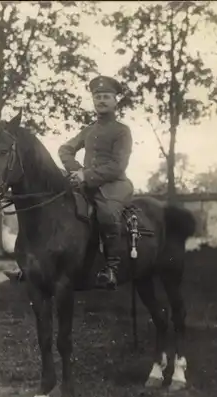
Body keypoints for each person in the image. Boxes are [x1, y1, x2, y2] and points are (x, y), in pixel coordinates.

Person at [58, 75, 134, 290]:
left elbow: (117, 165)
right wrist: (77, 170)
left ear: (115, 101)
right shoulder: (88, 130)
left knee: (107, 214)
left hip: (115, 184)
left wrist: (87, 175)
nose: (101, 101)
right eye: (97, 97)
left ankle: (112, 268)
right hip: (86, 183)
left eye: (106, 97)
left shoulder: (122, 131)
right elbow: (65, 149)